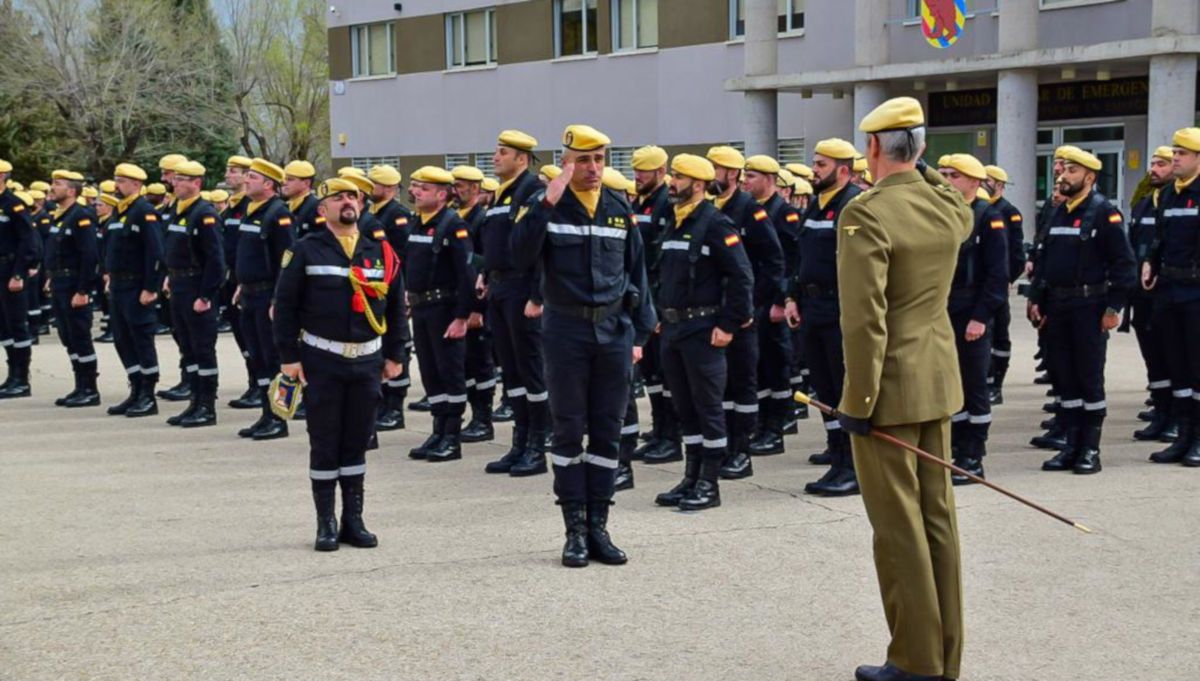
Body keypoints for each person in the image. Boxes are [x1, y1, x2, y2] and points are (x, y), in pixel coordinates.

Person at [837, 97, 970, 681]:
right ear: (920, 151)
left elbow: (864, 319)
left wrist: (857, 401)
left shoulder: (865, 213)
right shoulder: (947, 206)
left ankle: (915, 660)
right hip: (937, 379)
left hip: (887, 389)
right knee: (937, 520)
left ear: (871, 149)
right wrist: (920, 161)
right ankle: (946, 657)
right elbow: (946, 190)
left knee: (897, 529)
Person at [512, 124, 656, 568]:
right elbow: (517, 256)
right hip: (566, 331)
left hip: (613, 333)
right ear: (567, 161)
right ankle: (573, 529)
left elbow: (637, 273)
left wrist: (640, 333)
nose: (593, 169)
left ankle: (599, 526)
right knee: (570, 430)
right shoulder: (547, 206)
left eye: (599, 159)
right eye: (584, 160)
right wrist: (546, 202)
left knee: (608, 430)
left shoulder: (617, 208)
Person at [273, 177, 409, 551]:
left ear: (362, 206)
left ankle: (354, 519)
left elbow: (396, 306)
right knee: (324, 441)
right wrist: (289, 358)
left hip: (366, 361)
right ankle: (326, 522)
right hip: (323, 360)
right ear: (322, 209)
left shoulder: (380, 253)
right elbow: (284, 307)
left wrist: (397, 355)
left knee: (357, 441)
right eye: (337, 198)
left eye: (353, 197)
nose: (346, 202)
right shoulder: (305, 250)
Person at [652, 154, 752, 511]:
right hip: (674, 328)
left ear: (697, 184)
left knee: (708, 409)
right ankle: (691, 476)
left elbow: (742, 277)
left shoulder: (715, 223)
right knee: (686, 408)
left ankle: (710, 484)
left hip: (703, 330)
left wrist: (727, 325)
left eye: (677, 177)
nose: (671, 183)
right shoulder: (674, 221)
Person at [1029, 147, 1135, 474]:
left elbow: (1124, 265)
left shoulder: (1104, 213)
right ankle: (1070, 446)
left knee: (1088, 378)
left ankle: (1090, 449)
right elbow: (1043, 260)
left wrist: (1114, 307)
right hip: (1057, 307)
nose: (1063, 176)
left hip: (1090, 307)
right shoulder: (1059, 211)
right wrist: (1036, 300)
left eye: (1072, 171)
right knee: (1064, 377)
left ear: (1089, 177)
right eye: (1064, 171)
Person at [784, 137, 862, 496]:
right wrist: (792, 296)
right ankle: (837, 456)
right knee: (825, 390)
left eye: (821, 165)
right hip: (813, 309)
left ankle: (854, 466)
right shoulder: (816, 205)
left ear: (843, 170)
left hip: (840, 310)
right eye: (815, 164)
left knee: (844, 389)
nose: (814, 170)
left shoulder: (854, 205)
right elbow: (801, 258)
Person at [705, 145, 784, 480]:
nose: (711, 176)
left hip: (743, 313)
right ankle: (723, 448)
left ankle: (741, 452)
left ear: (732, 175)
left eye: (717, 170)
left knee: (743, 384)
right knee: (719, 387)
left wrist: (755, 302)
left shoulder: (749, 209)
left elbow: (773, 259)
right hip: (715, 312)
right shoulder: (709, 209)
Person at [479, 130, 550, 477]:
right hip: (500, 289)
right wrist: (485, 272)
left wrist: (538, 295)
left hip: (522, 292)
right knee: (512, 371)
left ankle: (538, 445)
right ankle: (520, 441)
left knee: (531, 370)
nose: (495, 158)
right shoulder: (502, 194)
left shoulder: (531, 192)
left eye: (502, 153)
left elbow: (538, 248)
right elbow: (497, 243)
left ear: (521, 159)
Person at [937, 154, 1008, 483]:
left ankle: (973, 455)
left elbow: (997, 276)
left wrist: (981, 317)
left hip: (971, 313)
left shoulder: (988, 217)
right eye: (943, 174)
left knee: (973, 385)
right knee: (948, 384)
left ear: (974, 182)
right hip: (943, 312)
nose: (946, 179)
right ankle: (954, 449)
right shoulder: (941, 215)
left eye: (954, 175)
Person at [403, 166, 476, 463]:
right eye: (415, 186)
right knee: (431, 373)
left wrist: (461, 317)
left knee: (450, 373)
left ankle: (452, 436)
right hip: (421, 308)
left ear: (442, 194)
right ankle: (438, 430)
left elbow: (466, 275)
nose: (415, 191)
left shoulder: (452, 225)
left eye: (423, 187)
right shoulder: (416, 223)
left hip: (444, 309)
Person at [1141, 127, 1200, 467]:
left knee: (1196, 368)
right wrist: (1150, 260)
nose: (1175, 158)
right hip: (1169, 292)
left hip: (1195, 295)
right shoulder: (1169, 195)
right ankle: (1184, 435)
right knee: (1176, 366)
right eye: (1174, 152)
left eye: (1182, 154)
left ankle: (1198, 438)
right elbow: (1159, 238)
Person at [235, 158, 296, 440]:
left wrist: (277, 299)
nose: (246, 181)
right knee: (259, 358)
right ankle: (265, 413)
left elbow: (287, 261)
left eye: (252, 177)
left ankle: (279, 418)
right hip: (249, 293)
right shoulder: (251, 210)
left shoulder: (278, 214)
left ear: (269, 184)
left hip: (267, 296)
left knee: (275, 361)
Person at [161, 161, 226, 428]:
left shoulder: (204, 213)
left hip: (196, 289)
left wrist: (206, 296)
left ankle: (207, 407)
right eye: (174, 179)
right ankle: (194, 402)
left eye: (182, 179)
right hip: (178, 286)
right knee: (187, 349)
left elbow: (215, 260)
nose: (175, 183)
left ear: (196, 183)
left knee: (202, 350)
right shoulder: (179, 210)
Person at [104, 164, 165, 417]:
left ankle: (148, 396)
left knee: (141, 339)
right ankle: (136, 389)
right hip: (118, 286)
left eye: (122, 181)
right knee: (122, 339)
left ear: (136, 185)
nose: (116, 185)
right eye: (116, 180)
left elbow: (156, 252)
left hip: (136, 286)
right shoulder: (119, 212)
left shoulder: (144, 212)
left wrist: (150, 287)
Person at [1126, 146, 1175, 442]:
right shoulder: (1144, 203)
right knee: (1153, 356)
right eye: (1152, 163)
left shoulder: (1177, 202)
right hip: (1142, 294)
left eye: (1161, 164)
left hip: (1169, 291)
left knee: (1175, 356)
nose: (1153, 169)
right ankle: (1161, 411)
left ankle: (1178, 418)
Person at [43, 170, 101, 407]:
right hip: (59, 283)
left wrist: (83, 290)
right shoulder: (61, 216)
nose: (52, 188)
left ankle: (90, 388)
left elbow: (89, 255)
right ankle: (79, 385)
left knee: (80, 336)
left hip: (73, 284)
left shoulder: (81, 216)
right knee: (68, 336)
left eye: (57, 184)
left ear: (71, 190)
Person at [366, 164, 415, 432]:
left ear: (386, 188)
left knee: (397, 346)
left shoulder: (397, 215)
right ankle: (384, 403)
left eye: (373, 184)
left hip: (392, 288)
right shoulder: (374, 212)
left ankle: (395, 408)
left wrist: (403, 290)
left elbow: (402, 255)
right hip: (376, 290)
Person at [451, 164, 497, 444]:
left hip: (477, 301)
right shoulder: (455, 218)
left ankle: (484, 418)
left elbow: (483, 263)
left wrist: (478, 308)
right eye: (454, 184)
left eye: (461, 185)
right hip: (458, 298)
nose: (455, 189)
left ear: (475, 189)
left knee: (480, 361)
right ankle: (474, 414)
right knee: (465, 362)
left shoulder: (482, 219)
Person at [220, 155, 262, 410]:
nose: (228, 176)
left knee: (257, 340)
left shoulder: (251, 206)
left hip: (249, 282)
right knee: (242, 336)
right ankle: (253, 381)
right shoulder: (232, 207)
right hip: (233, 281)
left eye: (234, 171)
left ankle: (262, 386)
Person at [981, 164, 1025, 405]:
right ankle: (984, 380)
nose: (982, 184)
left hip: (998, 285)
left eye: (986, 180)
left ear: (999, 184)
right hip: (981, 284)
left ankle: (996, 384)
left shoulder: (1009, 211)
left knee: (999, 336)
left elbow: (1017, 253)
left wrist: (1008, 278)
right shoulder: (980, 207)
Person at [0, 159, 39, 398]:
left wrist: (19, 273)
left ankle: (22, 379)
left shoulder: (13, 205)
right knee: (3, 326)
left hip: (9, 270)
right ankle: (11, 375)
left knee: (17, 325)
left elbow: (28, 240)